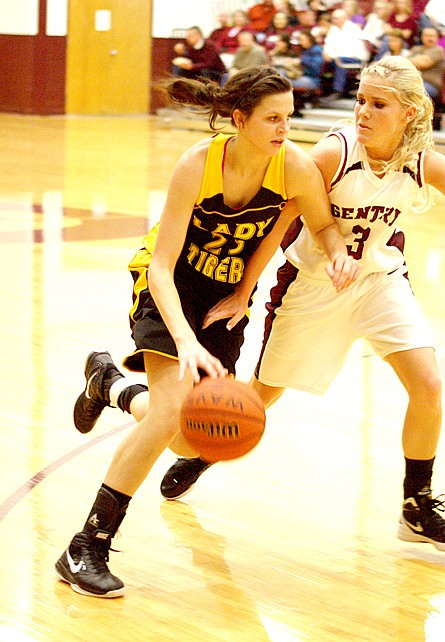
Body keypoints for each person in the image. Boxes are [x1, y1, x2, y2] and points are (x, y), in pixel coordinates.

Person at [73, 57, 445, 557]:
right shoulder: (329, 154)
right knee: (253, 401)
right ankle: (189, 435)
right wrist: (247, 288)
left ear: (409, 111)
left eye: (377, 105)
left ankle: (416, 503)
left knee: (428, 384)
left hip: (378, 280)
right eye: (360, 101)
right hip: (311, 287)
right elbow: (281, 223)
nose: (362, 112)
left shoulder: (421, 162)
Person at [56, 66, 359, 598]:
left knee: (183, 435)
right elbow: (163, 264)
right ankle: (86, 545)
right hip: (169, 285)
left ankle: (110, 386)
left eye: (289, 117)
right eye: (271, 118)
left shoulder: (295, 167)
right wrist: (186, 340)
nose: (284, 129)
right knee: (172, 410)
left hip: (222, 298)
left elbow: (321, 224)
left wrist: (335, 258)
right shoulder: (198, 164)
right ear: (239, 120)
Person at [406, 27, 445, 99]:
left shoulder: (438, 50)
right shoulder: (416, 48)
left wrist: (408, 60)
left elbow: (423, 63)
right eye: (426, 35)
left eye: (432, 36)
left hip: (430, 85)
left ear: (437, 38)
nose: (429, 38)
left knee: (409, 90)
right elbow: (403, 63)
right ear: (422, 37)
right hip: (412, 81)